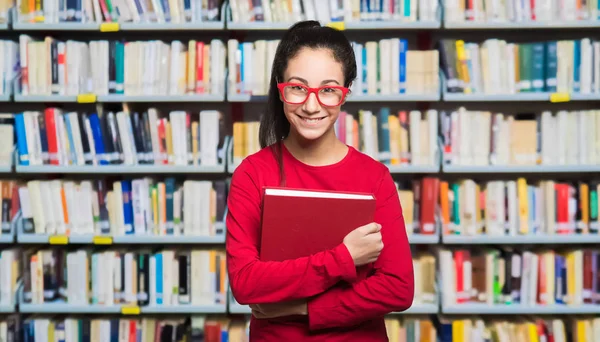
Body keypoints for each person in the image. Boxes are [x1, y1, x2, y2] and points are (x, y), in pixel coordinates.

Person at [225, 20, 414, 341]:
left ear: (345, 94)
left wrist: (300, 308)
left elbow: (398, 289)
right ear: (280, 87)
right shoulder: (253, 173)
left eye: (328, 90)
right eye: (298, 87)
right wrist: (344, 258)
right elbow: (245, 282)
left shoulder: (374, 177)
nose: (311, 106)